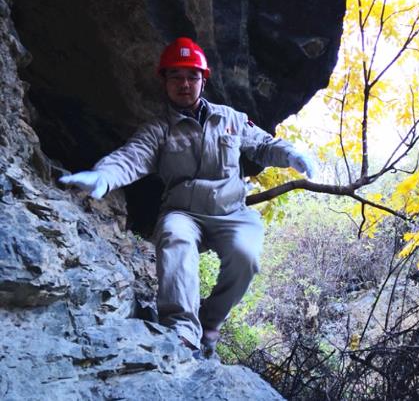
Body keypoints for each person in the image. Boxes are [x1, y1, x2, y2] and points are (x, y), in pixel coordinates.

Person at [59, 37, 316, 360]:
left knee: (246, 256)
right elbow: (131, 158)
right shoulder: (158, 130)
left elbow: (264, 145)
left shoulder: (230, 119)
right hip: (184, 212)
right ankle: (181, 327)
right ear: (164, 81)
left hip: (232, 210)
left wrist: (292, 155)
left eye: (192, 76)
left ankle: (210, 322)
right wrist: (103, 176)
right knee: (174, 236)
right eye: (176, 77)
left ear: (203, 80)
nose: (184, 84)